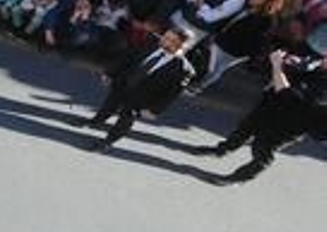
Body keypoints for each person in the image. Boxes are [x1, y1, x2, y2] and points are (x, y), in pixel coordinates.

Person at [196, 48, 325, 185]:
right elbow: (298, 77)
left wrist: (277, 65)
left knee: (263, 149)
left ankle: (239, 178)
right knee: (245, 128)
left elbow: (287, 94)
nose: (324, 57)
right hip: (272, 105)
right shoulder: (317, 67)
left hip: (290, 123)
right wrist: (291, 64)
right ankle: (222, 150)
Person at [81, 27, 195, 151]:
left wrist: (155, 110)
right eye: (165, 36)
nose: (163, 39)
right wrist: (110, 73)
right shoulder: (151, 42)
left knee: (125, 120)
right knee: (109, 104)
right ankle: (96, 121)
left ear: (179, 44)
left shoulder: (184, 69)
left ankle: (108, 141)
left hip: (142, 98)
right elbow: (128, 57)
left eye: (169, 39)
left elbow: (171, 94)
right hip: (124, 83)